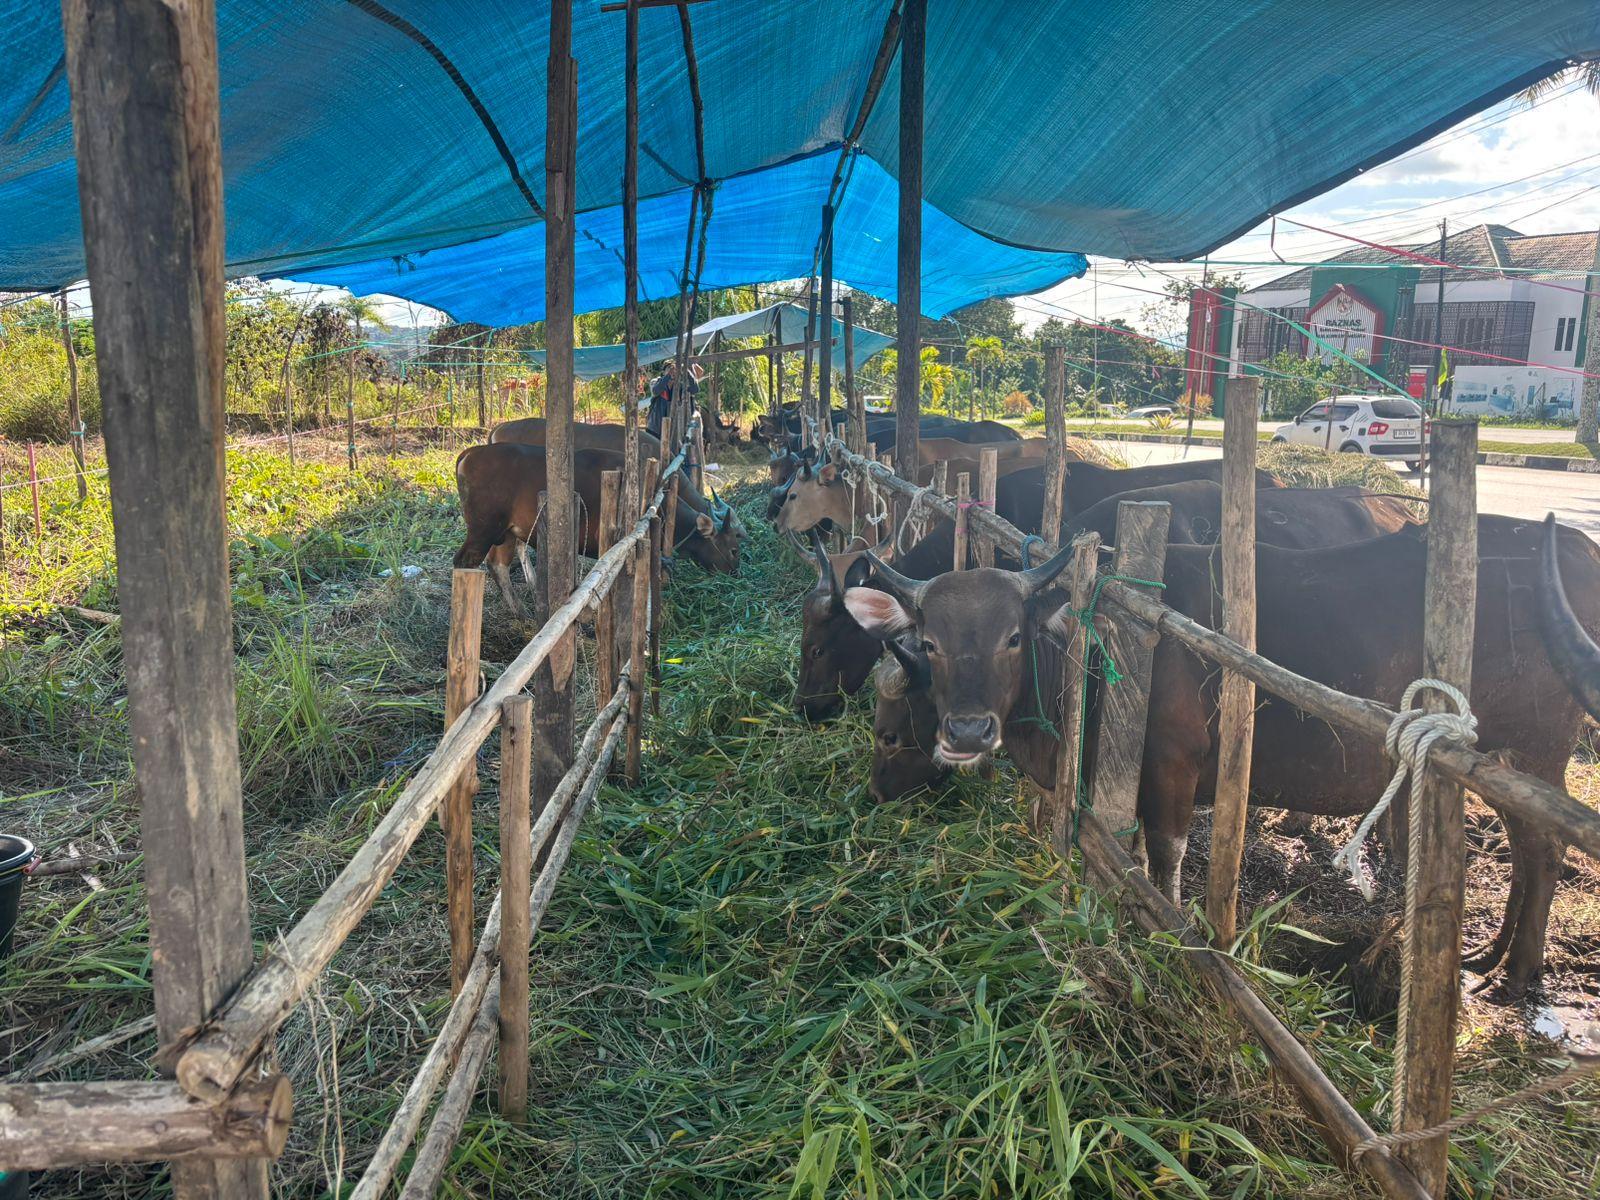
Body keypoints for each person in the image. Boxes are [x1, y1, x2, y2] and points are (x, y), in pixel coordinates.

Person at [644, 361, 704, 438]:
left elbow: (695, 389)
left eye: (674, 370)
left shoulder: (680, 387)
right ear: (663, 372)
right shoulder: (656, 381)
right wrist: (669, 375)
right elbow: (656, 391)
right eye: (669, 369)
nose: (672, 372)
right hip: (655, 428)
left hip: (672, 430)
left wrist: (687, 372)